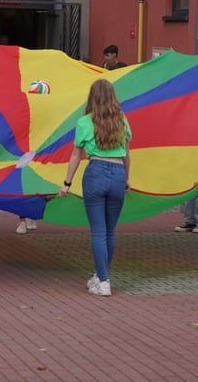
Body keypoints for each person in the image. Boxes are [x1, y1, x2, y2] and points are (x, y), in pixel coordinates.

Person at [58, 79, 131, 297]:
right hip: (118, 174)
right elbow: (127, 153)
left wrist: (67, 183)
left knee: (98, 231)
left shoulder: (84, 122)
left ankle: (103, 280)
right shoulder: (122, 120)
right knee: (109, 231)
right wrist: (126, 178)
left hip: (95, 172)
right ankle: (101, 276)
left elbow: (75, 155)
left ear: (92, 97)